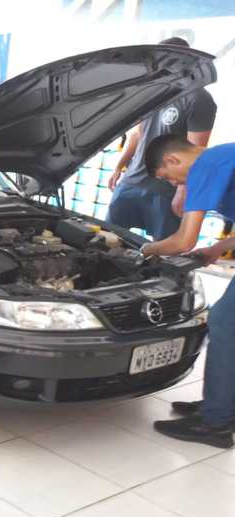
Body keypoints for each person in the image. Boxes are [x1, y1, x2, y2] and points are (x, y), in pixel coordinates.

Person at [141, 134, 235, 448]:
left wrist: (145, 249)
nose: (173, 183)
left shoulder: (204, 166)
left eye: (168, 177)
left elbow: (183, 241)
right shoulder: (224, 155)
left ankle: (215, 424)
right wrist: (218, 248)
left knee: (225, 323)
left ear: (172, 160)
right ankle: (222, 405)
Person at [107, 37, 216, 240]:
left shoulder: (199, 99)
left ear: (184, 61)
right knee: (107, 238)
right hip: (131, 182)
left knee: (163, 250)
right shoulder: (152, 93)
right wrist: (119, 166)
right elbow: (138, 134)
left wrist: (182, 191)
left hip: (164, 191)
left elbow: (196, 152)